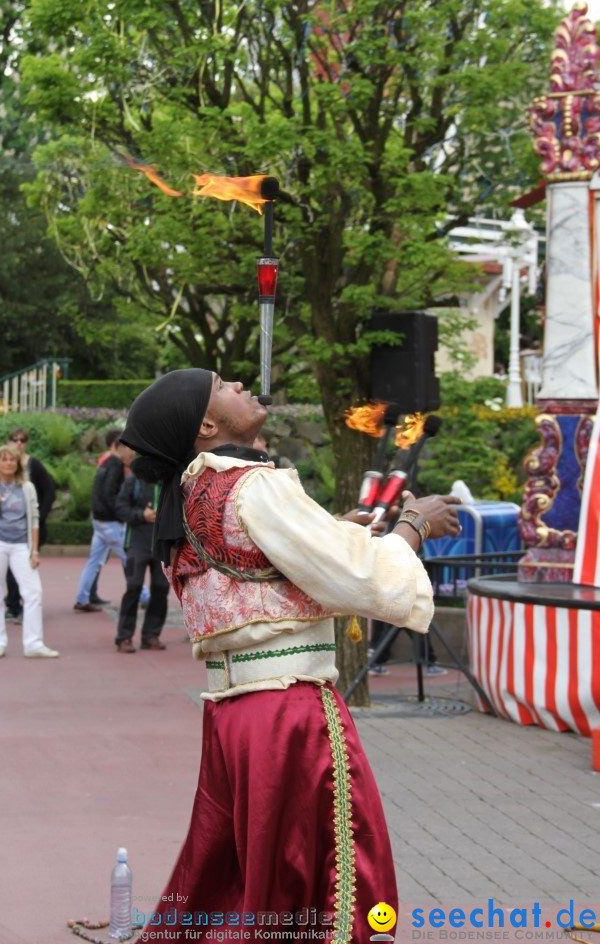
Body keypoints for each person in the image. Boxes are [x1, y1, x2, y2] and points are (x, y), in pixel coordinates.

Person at [120, 369, 460, 940]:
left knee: (237, 883)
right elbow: (354, 576)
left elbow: (263, 570)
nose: (245, 388)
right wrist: (414, 526)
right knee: (333, 881)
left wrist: (327, 532)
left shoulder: (190, 496)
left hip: (233, 716)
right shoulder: (255, 484)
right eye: (226, 386)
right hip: (290, 712)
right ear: (207, 424)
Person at [0, 444, 58, 658]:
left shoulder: (26, 487)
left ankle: (33, 643)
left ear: (17, 464)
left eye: (12, 460)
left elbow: (34, 519)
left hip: (20, 545)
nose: (8, 463)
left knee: (33, 592)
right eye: (4, 459)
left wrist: (34, 551)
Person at [73, 433, 133, 611]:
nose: (131, 452)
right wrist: (122, 515)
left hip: (100, 520)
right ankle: (144, 595)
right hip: (110, 522)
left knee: (94, 561)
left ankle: (82, 598)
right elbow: (110, 495)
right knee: (128, 559)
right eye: (128, 448)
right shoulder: (114, 465)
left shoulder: (106, 464)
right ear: (118, 447)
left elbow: (101, 493)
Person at [4, 428, 56, 623]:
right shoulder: (4, 464)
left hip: (31, 527)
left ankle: (26, 605)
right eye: (14, 439)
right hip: (10, 526)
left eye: (23, 440)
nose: (18, 443)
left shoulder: (33, 465)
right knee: (9, 567)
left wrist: (39, 517)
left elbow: (50, 491)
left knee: (26, 566)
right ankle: (12, 605)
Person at [115, 461, 167, 652]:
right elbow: (120, 507)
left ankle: (151, 635)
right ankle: (124, 637)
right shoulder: (134, 479)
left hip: (162, 545)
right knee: (133, 589)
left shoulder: (168, 479)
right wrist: (141, 515)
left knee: (161, 589)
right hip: (136, 543)